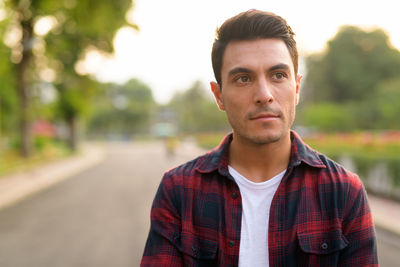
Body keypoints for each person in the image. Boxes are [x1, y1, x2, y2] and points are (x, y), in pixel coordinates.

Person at [141, 10, 378, 266]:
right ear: (219, 95)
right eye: (243, 78)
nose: (264, 94)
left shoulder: (342, 192)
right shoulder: (179, 190)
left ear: (296, 88)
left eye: (278, 75)